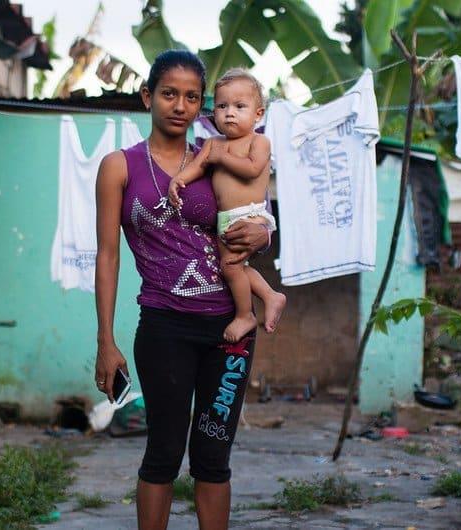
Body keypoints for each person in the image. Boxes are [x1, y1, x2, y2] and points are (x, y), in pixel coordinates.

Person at [93, 51, 272, 530]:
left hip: (229, 330)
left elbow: (252, 212)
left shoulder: (215, 157)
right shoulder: (119, 167)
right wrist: (105, 342)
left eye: (192, 97)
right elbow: (107, 256)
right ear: (148, 97)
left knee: (213, 454)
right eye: (169, 94)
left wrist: (265, 234)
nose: (180, 106)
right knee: (164, 451)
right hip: (163, 327)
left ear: (202, 107)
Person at [167, 68, 286, 342]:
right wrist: (178, 180)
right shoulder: (212, 143)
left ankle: (246, 315)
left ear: (258, 114)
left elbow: (252, 169)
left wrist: (221, 157)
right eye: (222, 106)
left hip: (251, 215)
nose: (229, 112)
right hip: (225, 219)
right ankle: (270, 295)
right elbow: (197, 167)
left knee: (232, 266)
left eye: (239, 106)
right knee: (231, 267)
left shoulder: (259, 142)